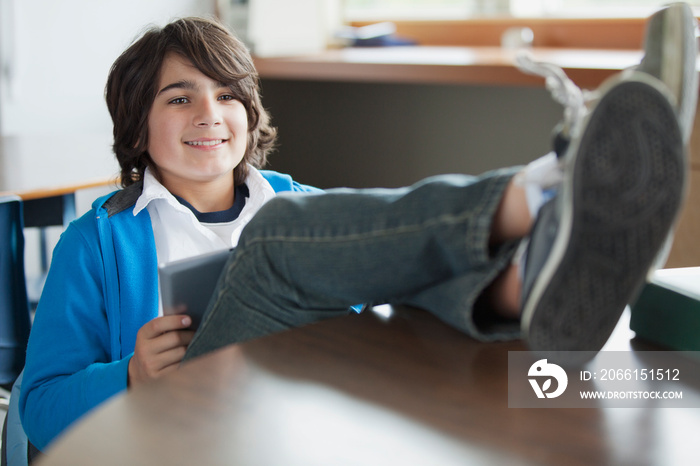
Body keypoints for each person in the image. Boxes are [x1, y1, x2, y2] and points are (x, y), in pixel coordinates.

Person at [7, 3, 696, 462]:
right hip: (186, 425)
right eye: (179, 97)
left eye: (226, 95)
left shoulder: (297, 204)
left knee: (395, 264)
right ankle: (545, 187)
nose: (208, 113)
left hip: (290, 414)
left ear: (250, 112)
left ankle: (522, 285)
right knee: (279, 240)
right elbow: (35, 411)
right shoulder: (98, 243)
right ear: (137, 125)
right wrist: (129, 374)